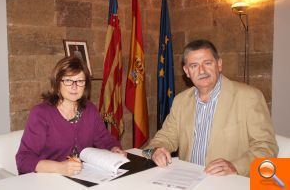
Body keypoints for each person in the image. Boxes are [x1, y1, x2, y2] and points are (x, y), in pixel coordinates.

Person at [144, 39, 278, 177]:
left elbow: (266, 147)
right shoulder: (181, 101)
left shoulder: (249, 97)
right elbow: (166, 137)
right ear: (187, 71)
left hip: (229, 182)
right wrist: (157, 150)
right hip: (187, 180)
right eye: (194, 66)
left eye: (207, 63)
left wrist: (235, 166)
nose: (202, 71)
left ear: (219, 64)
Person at [16, 56, 124, 176]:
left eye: (80, 81)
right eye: (68, 80)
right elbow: (23, 160)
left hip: (83, 178)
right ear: (57, 82)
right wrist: (59, 167)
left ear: (86, 85)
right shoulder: (41, 114)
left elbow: (104, 139)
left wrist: (114, 148)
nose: (74, 86)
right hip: (46, 179)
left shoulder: (90, 109)